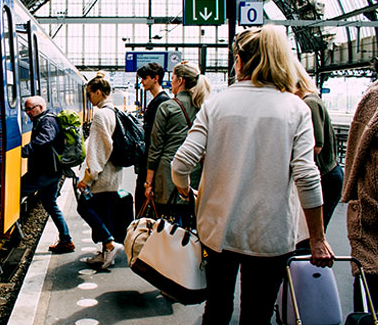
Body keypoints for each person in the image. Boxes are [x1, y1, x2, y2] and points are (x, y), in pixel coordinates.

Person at [171, 26, 334, 324]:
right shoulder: (296, 109)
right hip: (270, 235)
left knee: (217, 308)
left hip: (219, 230)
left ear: (240, 61)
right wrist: (318, 239)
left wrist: (184, 190)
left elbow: (181, 163)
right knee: (257, 315)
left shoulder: (215, 105)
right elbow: (307, 176)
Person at [144, 61, 210, 217]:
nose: (171, 82)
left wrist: (148, 183)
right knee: (190, 226)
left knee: (166, 227)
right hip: (194, 175)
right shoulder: (204, 107)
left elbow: (156, 148)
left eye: (172, 78)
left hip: (166, 177)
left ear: (180, 81)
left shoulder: (167, 107)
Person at [76, 73, 123, 269]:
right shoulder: (115, 111)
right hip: (114, 173)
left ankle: (110, 245)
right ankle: (105, 251)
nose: (88, 99)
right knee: (104, 213)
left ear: (98, 92)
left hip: (102, 176)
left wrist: (87, 178)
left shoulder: (101, 115)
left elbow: (99, 150)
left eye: (89, 95)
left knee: (84, 207)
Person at [342, 60, 378, 312]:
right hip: (371, 217)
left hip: (369, 212)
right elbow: (356, 157)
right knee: (370, 293)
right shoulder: (374, 98)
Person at [293, 59, 343, 229]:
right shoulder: (311, 99)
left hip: (326, 177)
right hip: (328, 174)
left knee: (313, 230)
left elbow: (315, 147)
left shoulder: (310, 103)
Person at [21, 96, 74, 254]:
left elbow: (45, 138)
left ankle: (5, 227)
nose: (28, 112)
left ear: (40, 107)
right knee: (50, 204)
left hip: (44, 172)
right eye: (26, 109)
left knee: (14, 192)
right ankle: (66, 240)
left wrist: (25, 151)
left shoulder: (47, 121)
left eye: (30, 108)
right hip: (51, 171)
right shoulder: (44, 119)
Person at [135, 63, 170, 213]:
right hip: (150, 163)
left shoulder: (160, 103)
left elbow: (156, 141)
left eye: (145, 78)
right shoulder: (159, 101)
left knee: (144, 207)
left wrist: (149, 179)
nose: (142, 81)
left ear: (155, 78)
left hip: (151, 165)